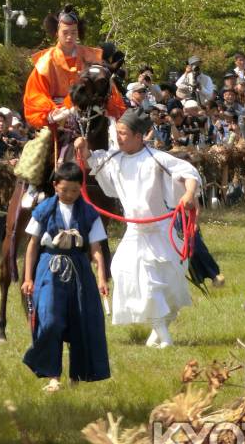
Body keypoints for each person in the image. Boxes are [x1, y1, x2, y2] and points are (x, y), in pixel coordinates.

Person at [76, 107, 200, 348]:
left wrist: (189, 193)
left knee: (160, 283)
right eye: (117, 133)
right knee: (124, 271)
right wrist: (83, 148)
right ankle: (161, 332)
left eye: (124, 133)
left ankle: (161, 332)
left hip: (159, 230)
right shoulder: (114, 158)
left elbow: (188, 172)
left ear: (138, 135)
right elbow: (93, 159)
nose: (119, 138)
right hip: (134, 232)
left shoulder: (156, 157)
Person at [17, 4, 126, 205]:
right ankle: (35, 184)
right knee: (43, 142)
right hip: (59, 113)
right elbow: (35, 93)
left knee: (115, 138)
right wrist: (52, 112)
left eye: (73, 32)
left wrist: (111, 108)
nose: (69, 36)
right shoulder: (46, 61)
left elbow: (105, 84)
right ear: (56, 32)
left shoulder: (92, 57)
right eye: (65, 32)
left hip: (89, 110)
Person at [21, 161, 110, 391]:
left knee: (82, 322)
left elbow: (96, 249)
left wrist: (101, 278)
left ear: (81, 188)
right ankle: (53, 375)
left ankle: (78, 376)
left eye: (74, 190)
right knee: (49, 320)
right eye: (64, 190)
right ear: (55, 186)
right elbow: (32, 246)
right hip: (48, 269)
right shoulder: (44, 209)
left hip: (80, 270)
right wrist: (28, 278)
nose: (69, 195)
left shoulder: (89, 213)